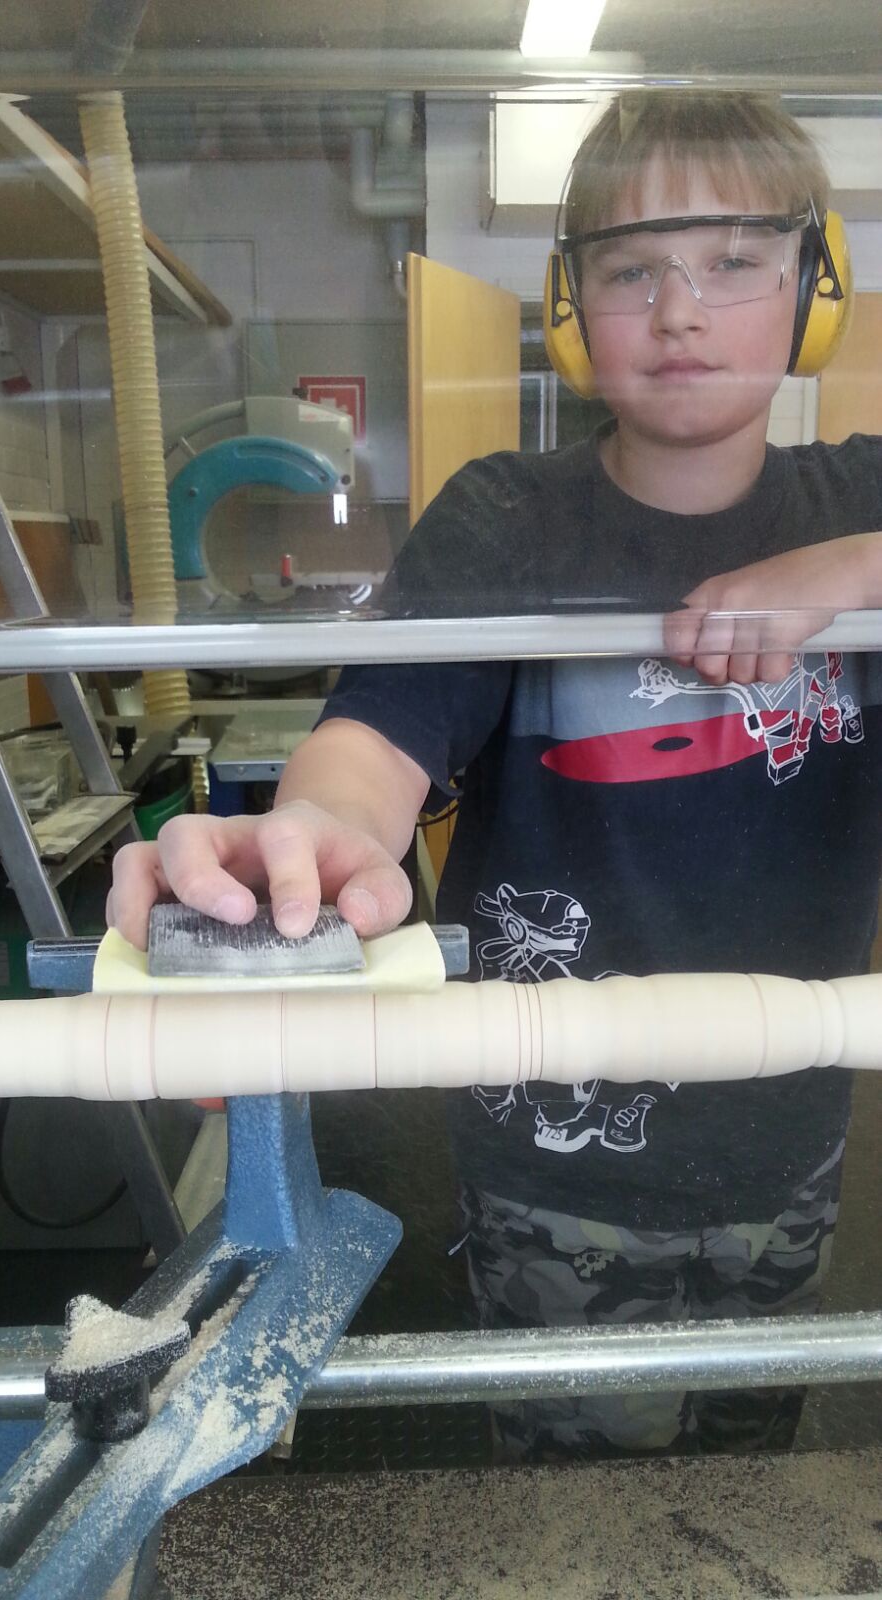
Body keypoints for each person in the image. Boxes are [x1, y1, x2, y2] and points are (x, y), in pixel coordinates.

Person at [108, 91, 882, 1460]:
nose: (680, 311)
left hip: (793, 1130)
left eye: (733, 260)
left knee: (749, 1470)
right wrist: (315, 838)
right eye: (631, 268)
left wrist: (860, 565)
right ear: (572, 305)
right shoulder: (503, 518)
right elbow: (376, 741)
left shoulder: (861, 499)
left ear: (814, 288)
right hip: (549, 1156)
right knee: (567, 1485)